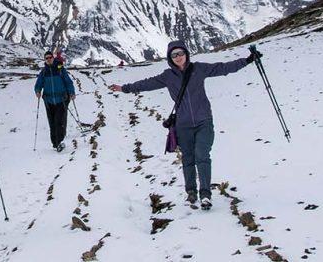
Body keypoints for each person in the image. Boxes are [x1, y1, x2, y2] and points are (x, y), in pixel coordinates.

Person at [108, 40, 260, 211]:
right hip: (183, 124)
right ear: (170, 58)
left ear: (186, 54)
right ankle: (191, 192)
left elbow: (223, 68)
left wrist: (247, 60)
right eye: (174, 55)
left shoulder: (199, 69)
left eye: (180, 53)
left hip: (204, 121)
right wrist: (124, 88)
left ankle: (205, 194)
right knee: (188, 158)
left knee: (202, 155)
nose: (178, 57)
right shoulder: (167, 76)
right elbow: (146, 84)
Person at [34, 49, 76, 152]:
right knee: (52, 122)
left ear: (53, 58)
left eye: (50, 57)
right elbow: (38, 84)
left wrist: (72, 92)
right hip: (48, 101)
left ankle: (59, 142)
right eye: (46, 58)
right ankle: (54, 143)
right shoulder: (44, 72)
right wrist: (37, 90)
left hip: (61, 100)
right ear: (45, 60)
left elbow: (68, 81)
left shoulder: (60, 69)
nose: (48, 59)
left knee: (59, 121)